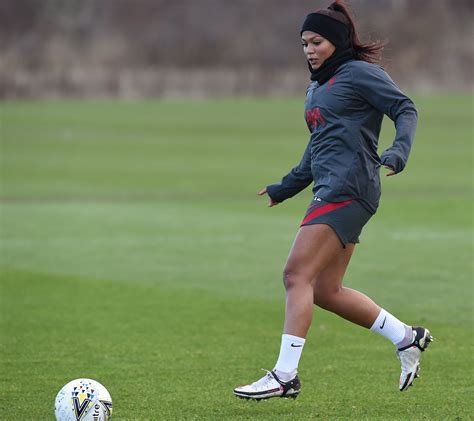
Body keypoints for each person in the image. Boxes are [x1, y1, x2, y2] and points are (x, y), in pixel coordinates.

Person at [233, 0, 432, 400]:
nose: (309, 49)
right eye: (304, 43)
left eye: (317, 41)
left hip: (349, 186)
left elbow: (404, 108)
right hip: (336, 185)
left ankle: (285, 376)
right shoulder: (317, 87)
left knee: (295, 275)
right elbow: (318, 147)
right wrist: (285, 187)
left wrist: (399, 152)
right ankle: (406, 338)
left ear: (337, 42)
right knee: (325, 289)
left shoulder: (359, 74)